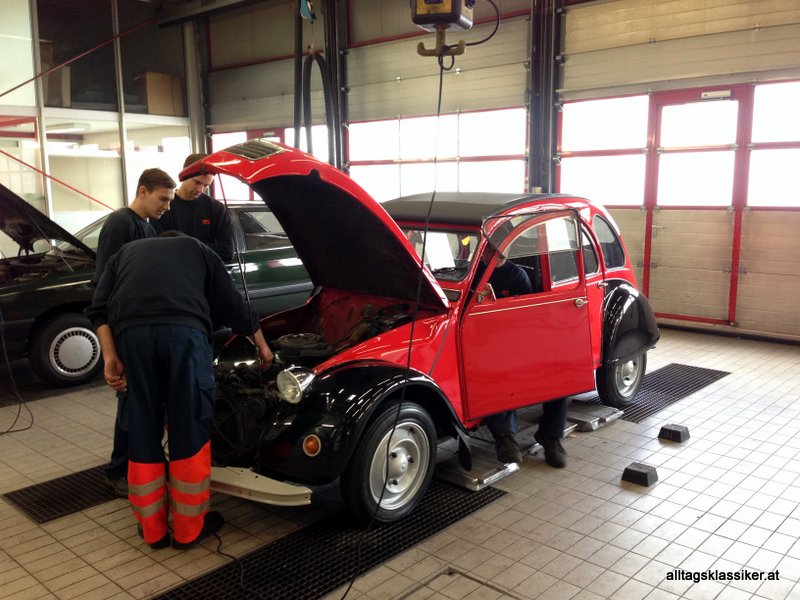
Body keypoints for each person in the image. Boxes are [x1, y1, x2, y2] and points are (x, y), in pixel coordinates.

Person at [85, 232, 273, 550]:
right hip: (184, 336)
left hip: (132, 339)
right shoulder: (198, 248)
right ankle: (188, 531)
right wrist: (264, 348)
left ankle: (153, 531)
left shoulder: (124, 253)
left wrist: (110, 358)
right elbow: (233, 305)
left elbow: (98, 310)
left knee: (142, 427)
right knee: (189, 427)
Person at [94, 168, 176, 497]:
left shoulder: (146, 226)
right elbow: (106, 281)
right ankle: (118, 470)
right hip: (126, 327)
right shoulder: (120, 223)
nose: (167, 207)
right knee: (130, 400)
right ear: (143, 191)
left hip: (143, 324)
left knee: (145, 400)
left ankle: (140, 463)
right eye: (163, 199)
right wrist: (115, 341)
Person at [479, 250, 569, 469]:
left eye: (498, 249)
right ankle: (504, 436)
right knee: (491, 373)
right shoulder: (474, 274)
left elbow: (526, 317)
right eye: (489, 248)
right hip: (485, 343)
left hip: (519, 340)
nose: (494, 253)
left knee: (560, 376)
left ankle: (551, 436)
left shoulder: (517, 276)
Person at [152, 153, 235, 262]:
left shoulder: (216, 209)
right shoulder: (164, 206)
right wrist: (204, 248)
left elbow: (227, 251)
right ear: (183, 173)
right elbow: (161, 249)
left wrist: (184, 247)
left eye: (206, 185)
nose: (200, 189)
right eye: (197, 182)